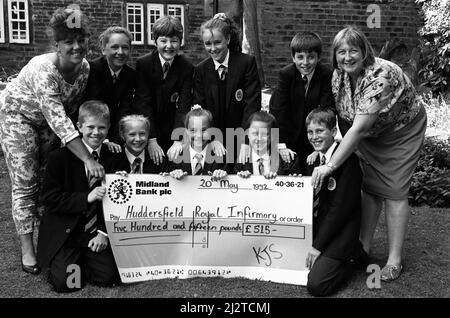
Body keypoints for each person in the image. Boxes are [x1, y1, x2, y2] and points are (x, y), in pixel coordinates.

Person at [311, 26, 427, 282]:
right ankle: (362, 248)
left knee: (394, 190)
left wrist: (330, 164)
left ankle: (394, 260)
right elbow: (345, 117)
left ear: (365, 52)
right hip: (368, 133)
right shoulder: (338, 76)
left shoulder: (379, 77)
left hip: (401, 131)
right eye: (341, 52)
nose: (347, 57)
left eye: (354, 50)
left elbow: (360, 127)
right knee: (369, 186)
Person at [0, 7, 104, 275]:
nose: (77, 47)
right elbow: (60, 120)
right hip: (19, 118)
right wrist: (87, 158)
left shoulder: (85, 70)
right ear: (57, 44)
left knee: (50, 180)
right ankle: (27, 249)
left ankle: (52, 238)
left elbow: (73, 114)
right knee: (26, 182)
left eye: (81, 40)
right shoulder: (42, 69)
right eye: (69, 42)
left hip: (50, 125)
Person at [37, 100, 120, 292]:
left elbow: (118, 202)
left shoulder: (114, 156)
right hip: (67, 231)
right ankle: (68, 258)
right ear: (79, 126)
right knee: (67, 284)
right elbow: (50, 199)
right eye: (90, 127)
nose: (96, 133)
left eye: (102, 128)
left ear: (108, 129)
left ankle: (89, 257)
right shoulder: (58, 157)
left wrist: (103, 233)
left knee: (109, 278)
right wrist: (87, 198)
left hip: (95, 231)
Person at [304, 107, 365, 297]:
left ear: (333, 132)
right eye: (310, 132)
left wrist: (317, 248)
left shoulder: (349, 162)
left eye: (320, 131)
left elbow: (339, 212)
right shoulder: (314, 159)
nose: (314, 137)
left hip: (340, 234)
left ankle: (352, 258)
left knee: (316, 286)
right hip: (321, 231)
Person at [194, 13, 261, 160]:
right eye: (208, 44)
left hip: (240, 138)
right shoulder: (201, 70)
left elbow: (252, 104)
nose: (213, 48)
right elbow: (201, 107)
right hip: (213, 142)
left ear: (228, 39)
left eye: (217, 42)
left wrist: (245, 141)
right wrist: (212, 137)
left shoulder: (246, 63)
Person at [269, 31, 334, 174]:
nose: (305, 63)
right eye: (300, 57)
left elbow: (326, 110)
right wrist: (281, 145)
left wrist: (321, 148)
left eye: (311, 57)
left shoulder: (326, 75)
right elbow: (278, 111)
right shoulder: (286, 75)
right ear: (293, 57)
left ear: (318, 57)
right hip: (289, 137)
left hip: (314, 137)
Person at [133, 16, 194, 165]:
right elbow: (143, 103)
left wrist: (178, 139)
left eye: (174, 41)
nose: (169, 46)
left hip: (173, 128)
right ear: (155, 41)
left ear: (180, 42)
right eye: (163, 41)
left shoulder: (187, 67)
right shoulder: (144, 64)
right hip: (148, 130)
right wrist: (151, 139)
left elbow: (184, 106)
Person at [84, 26, 136, 144]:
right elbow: (90, 107)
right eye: (114, 47)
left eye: (125, 48)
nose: (120, 52)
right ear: (103, 49)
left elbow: (124, 109)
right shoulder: (91, 70)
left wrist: (116, 140)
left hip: (115, 133)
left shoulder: (131, 75)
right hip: (91, 132)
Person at [165, 107, 228, 180]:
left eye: (204, 130)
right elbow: (167, 182)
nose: (199, 135)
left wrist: (223, 175)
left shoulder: (221, 157)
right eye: (193, 130)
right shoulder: (176, 157)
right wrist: (172, 175)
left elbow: (231, 181)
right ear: (186, 132)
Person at [234, 111, 299, 178]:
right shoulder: (241, 160)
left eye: (264, 134)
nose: (259, 139)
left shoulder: (287, 160)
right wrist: (243, 180)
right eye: (254, 134)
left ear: (273, 136)